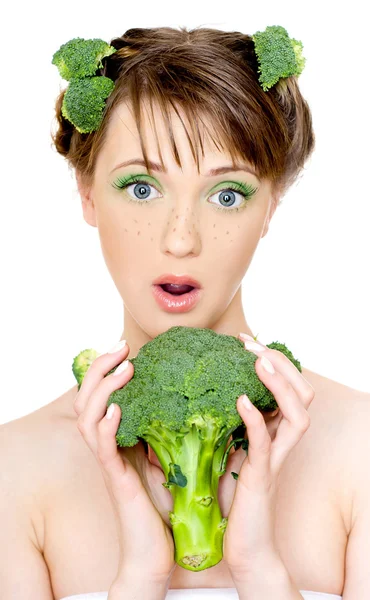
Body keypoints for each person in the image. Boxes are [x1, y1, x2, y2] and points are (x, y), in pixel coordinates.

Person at [1, 24, 369, 600]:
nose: (180, 240)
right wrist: (140, 576)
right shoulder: (13, 471)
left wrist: (259, 570)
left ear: (271, 204)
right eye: (142, 187)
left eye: (227, 195)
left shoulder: (361, 450)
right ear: (87, 193)